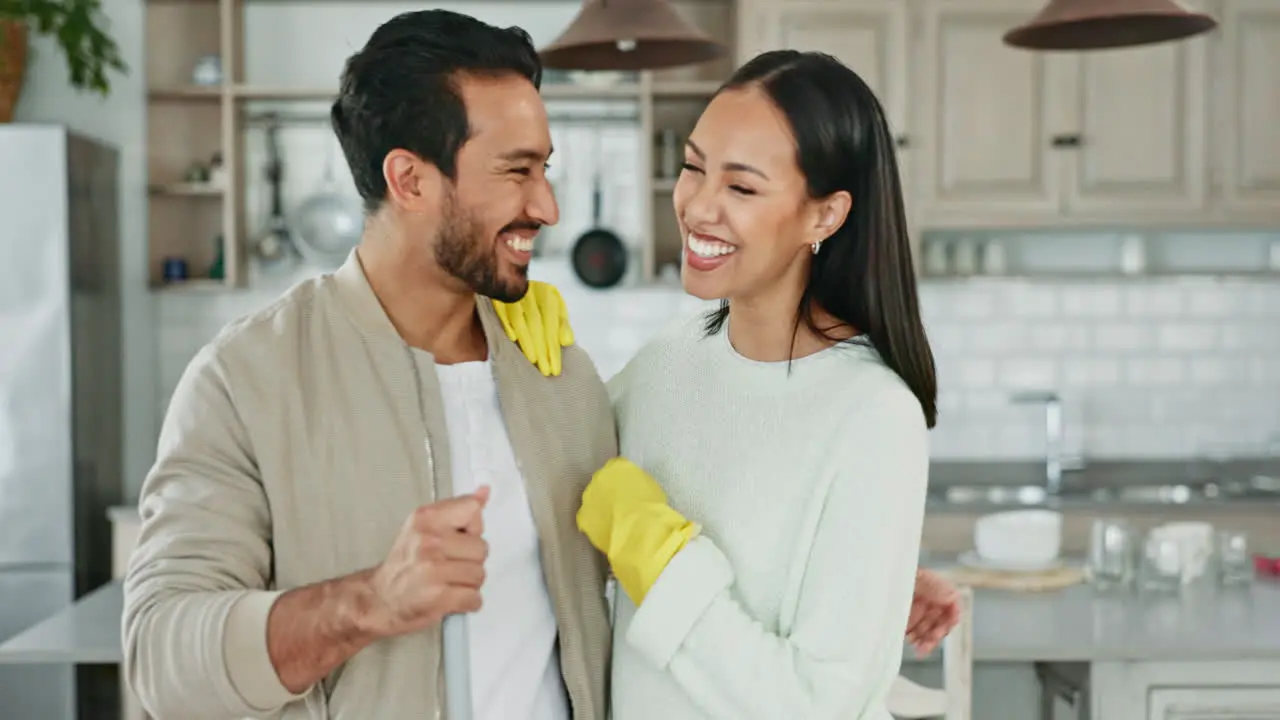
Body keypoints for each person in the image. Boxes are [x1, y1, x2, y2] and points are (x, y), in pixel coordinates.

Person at [123, 11, 956, 720]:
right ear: (410, 180)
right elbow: (160, 659)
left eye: (545, 169)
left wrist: (862, 576)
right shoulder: (248, 380)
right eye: (516, 172)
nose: (548, 207)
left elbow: (660, 531)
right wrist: (368, 601)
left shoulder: (557, 378)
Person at [497, 49, 942, 719]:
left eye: (741, 187)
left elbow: (818, 705)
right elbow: (550, 477)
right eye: (692, 166)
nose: (699, 206)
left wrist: (664, 567)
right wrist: (503, 338)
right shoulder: (668, 363)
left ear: (825, 216)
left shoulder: (874, 415)